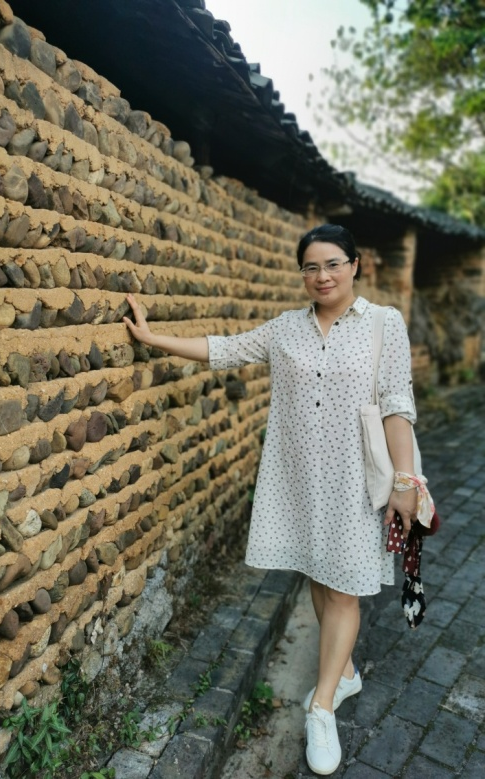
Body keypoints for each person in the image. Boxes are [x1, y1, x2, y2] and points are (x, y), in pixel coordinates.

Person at [123, 223, 418, 775]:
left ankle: (322, 707)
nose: (322, 276)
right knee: (318, 575)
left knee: (345, 589)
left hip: (356, 481)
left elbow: (397, 403)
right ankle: (344, 672)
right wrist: (152, 339)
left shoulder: (384, 323)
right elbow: (223, 350)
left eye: (333, 264)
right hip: (300, 479)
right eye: (311, 267)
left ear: (355, 265)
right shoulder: (286, 329)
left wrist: (406, 482)